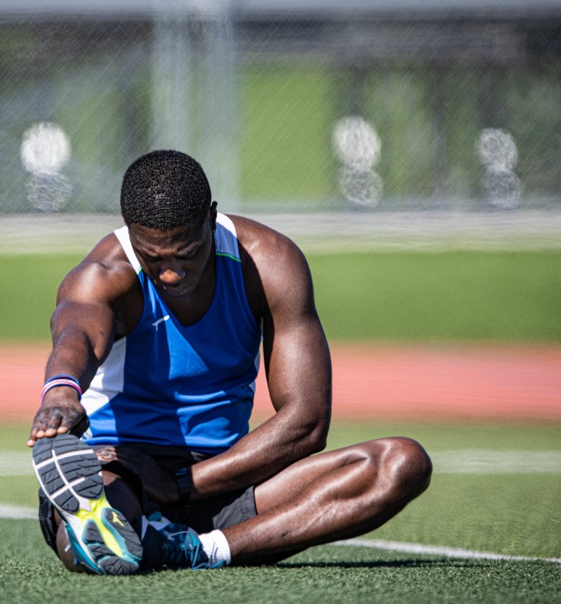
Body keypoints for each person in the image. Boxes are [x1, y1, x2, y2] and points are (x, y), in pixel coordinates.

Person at [28, 149, 431, 575]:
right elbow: (77, 334)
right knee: (94, 524)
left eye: (186, 254)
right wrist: (61, 391)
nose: (170, 274)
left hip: (225, 477)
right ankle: (106, 528)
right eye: (155, 259)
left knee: (400, 463)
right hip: (123, 468)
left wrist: (184, 485)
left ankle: (194, 550)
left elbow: (307, 422)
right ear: (131, 233)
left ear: (211, 217)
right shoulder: (104, 273)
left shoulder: (270, 263)